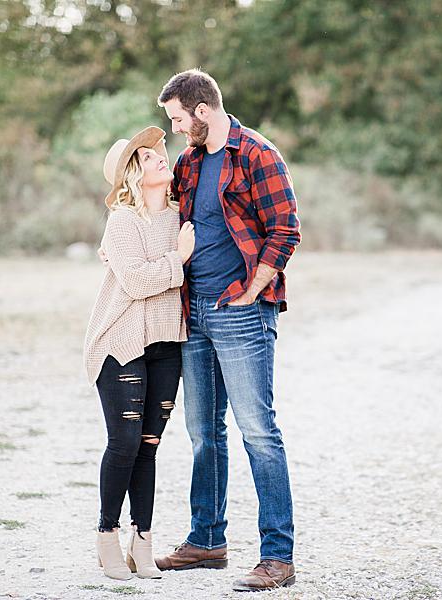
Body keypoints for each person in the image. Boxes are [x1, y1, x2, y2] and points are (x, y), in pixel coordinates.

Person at [153, 69, 301, 592]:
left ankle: (277, 556)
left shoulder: (258, 154)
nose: (172, 128)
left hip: (241, 311)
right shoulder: (189, 162)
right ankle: (206, 540)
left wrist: (253, 289)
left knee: (258, 432)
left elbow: (286, 228)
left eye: (175, 118)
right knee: (203, 434)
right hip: (194, 313)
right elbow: (163, 212)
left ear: (201, 110)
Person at [84, 126, 195, 581]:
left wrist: (177, 258)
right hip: (120, 344)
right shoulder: (122, 222)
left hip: (167, 344)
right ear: (133, 174)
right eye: (148, 157)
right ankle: (107, 536)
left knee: (149, 446)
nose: (160, 159)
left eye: (158, 153)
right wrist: (179, 261)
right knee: (125, 443)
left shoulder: (179, 219)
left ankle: (142, 541)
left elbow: (160, 281)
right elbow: (136, 283)